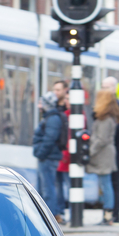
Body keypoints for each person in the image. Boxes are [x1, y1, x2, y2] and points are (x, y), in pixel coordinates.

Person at [88, 89, 119, 225]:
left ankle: (108, 215)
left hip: (103, 155)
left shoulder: (106, 119)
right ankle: (107, 214)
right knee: (104, 184)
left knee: (106, 184)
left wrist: (90, 152)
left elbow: (101, 139)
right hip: (104, 154)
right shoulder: (107, 118)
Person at [32, 92, 67, 224]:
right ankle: (48, 215)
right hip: (48, 157)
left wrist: (40, 153)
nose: (39, 106)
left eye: (41, 103)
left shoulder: (52, 119)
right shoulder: (51, 117)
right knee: (45, 187)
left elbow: (49, 139)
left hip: (47, 158)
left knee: (48, 188)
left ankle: (51, 216)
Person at [101, 77, 119, 222]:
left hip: (114, 152)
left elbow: (118, 130)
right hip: (111, 151)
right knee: (108, 183)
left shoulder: (116, 106)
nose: (105, 90)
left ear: (114, 89)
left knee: (113, 182)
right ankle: (110, 214)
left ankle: (114, 215)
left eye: (108, 87)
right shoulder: (108, 105)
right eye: (103, 87)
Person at [53, 81, 70, 219]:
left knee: (68, 185)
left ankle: (67, 211)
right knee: (57, 186)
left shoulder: (71, 113)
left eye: (58, 90)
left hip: (66, 156)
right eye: (55, 90)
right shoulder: (55, 108)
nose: (56, 93)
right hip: (58, 155)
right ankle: (59, 211)